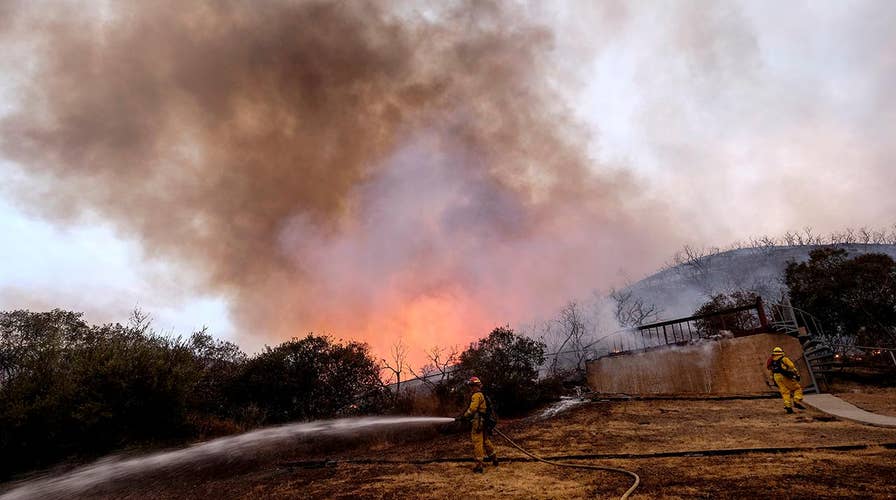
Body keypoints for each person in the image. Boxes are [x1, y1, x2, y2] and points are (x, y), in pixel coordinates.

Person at [455, 376, 498, 473]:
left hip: (478, 423)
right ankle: (494, 459)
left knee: (477, 442)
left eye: (471, 386)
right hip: (484, 422)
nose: (470, 388)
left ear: (475, 386)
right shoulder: (482, 395)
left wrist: (464, 416)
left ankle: (479, 465)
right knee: (485, 441)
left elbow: (472, 409)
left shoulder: (476, 396)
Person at [766, 346, 805, 414]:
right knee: (797, 388)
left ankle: (788, 406)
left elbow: (771, 372)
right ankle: (796, 401)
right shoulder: (784, 359)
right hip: (784, 376)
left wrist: (773, 380)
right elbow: (792, 366)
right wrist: (797, 375)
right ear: (781, 352)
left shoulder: (772, 361)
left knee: (785, 392)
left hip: (776, 377)